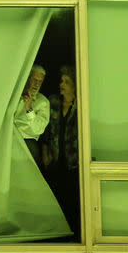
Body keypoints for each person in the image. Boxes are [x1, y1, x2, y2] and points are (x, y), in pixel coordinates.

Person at [42, 65, 80, 241]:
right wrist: (45, 155)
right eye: (61, 81)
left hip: (73, 164)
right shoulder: (53, 103)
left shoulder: (80, 107)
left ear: (74, 85)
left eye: (67, 82)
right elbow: (46, 132)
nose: (62, 84)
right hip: (55, 162)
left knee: (72, 204)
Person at [14, 64, 50, 166]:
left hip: (28, 143)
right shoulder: (15, 96)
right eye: (34, 79)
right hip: (10, 140)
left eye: (40, 81)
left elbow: (38, 129)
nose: (36, 84)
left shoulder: (43, 102)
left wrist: (29, 109)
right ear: (27, 78)